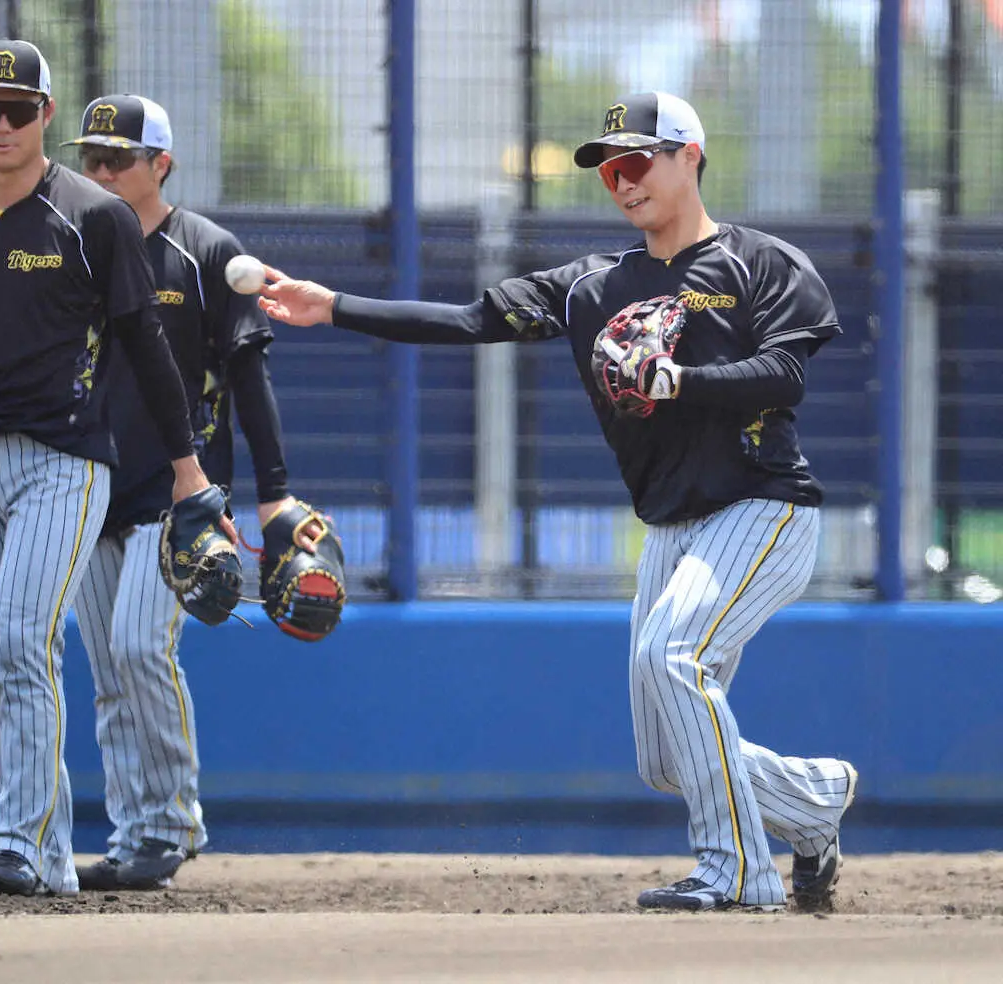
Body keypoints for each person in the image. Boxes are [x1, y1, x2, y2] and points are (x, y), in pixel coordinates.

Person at [255, 91, 858, 912]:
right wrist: (335, 306)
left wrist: (680, 380)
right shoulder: (592, 286)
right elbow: (472, 319)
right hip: (672, 529)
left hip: (765, 508)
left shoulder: (762, 263)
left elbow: (786, 372)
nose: (623, 179)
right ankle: (815, 801)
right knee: (666, 757)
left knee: (671, 659)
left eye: (639, 160)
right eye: (611, 168)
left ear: (691, 156)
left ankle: (738, 871)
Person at [0, 41, 231, 897]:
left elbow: (145, 343)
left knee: (25, 640)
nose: (0, 123)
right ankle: (52, 856)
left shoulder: (90, 217)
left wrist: (187, 475)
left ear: (45, 115)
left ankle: (20, 845)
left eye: (18, 108)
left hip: (66, 461)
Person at [61, 94, 317, 890]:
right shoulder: (71, 249)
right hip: (88, 483)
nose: (100, 172)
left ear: (160, 165)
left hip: (182, 492)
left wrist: (274, 494)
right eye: (90, 159)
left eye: (117, 159)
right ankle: (139, 829)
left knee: (142, 646)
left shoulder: (207, 252)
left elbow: (249, 377)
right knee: (109, 667)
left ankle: (169, 823)